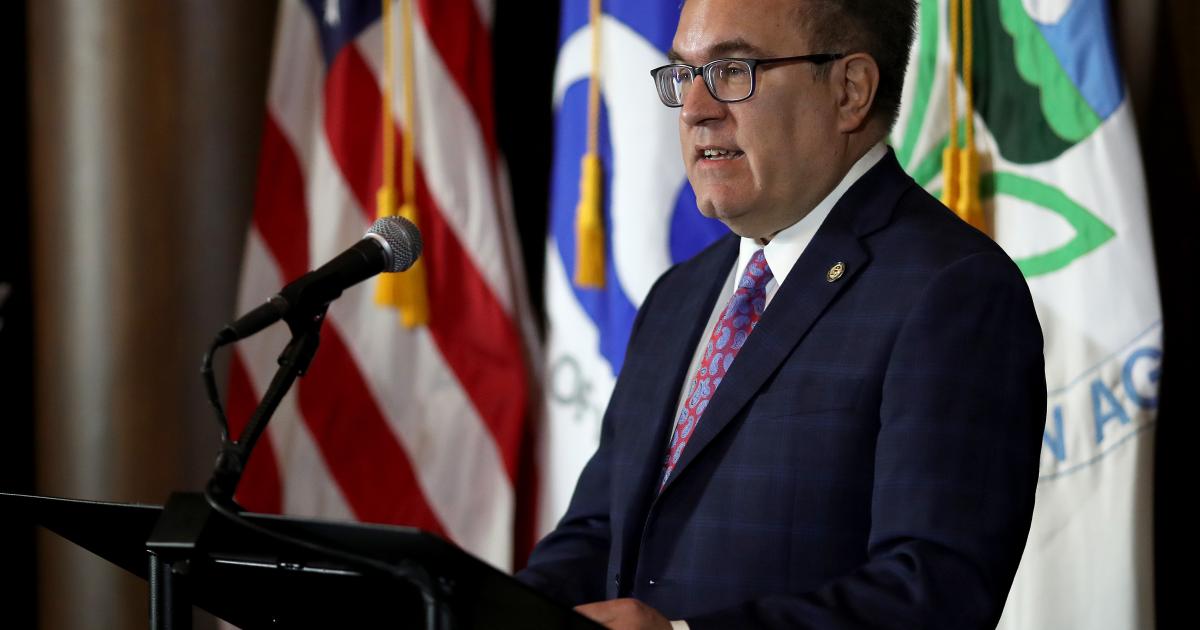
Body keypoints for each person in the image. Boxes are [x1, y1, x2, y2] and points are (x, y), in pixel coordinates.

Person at [518, 0, 1046, 628]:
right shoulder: (677, 297)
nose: (694, 109)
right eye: (685, 73)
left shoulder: (951, 291)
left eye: (732, 71)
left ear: (850, 90)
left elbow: (934, 593)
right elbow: (599, 534)